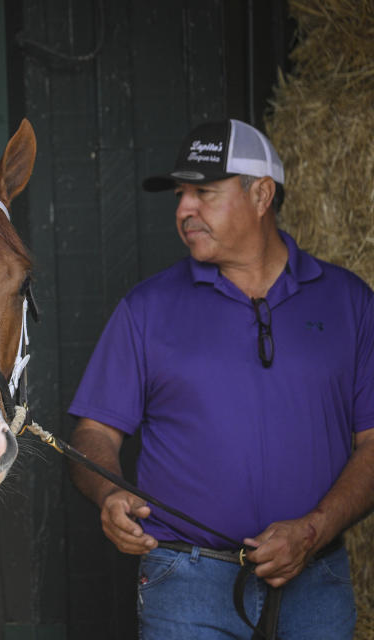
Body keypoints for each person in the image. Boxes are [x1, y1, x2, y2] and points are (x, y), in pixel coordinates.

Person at [67, 118, 374, 639]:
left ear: (261, 195)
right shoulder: (147, 308)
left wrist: (312, 530)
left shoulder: (348, 303)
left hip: (314, 577)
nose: (185, 210)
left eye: (204, 193)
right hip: (185, 580)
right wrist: (108, 493)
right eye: (180, 195)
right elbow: (93, 433)